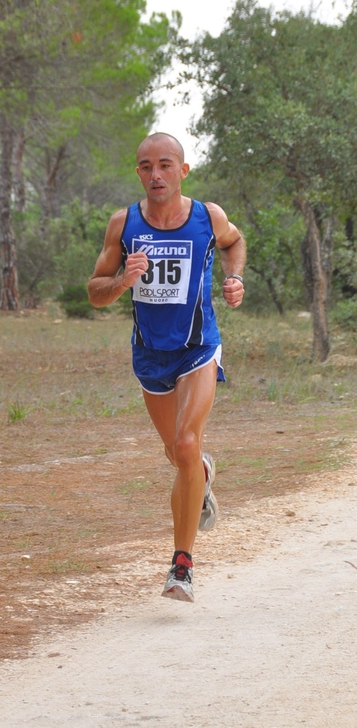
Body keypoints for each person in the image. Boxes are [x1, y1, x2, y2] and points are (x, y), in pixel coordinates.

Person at [88, 132, 246, 602]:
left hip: (198, 346)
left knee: (185, 439)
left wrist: (233, 277)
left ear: (183, 170)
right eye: (145, 166)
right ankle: (200, 472)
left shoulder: (206, 216)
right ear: (137, 172)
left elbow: (234, 243)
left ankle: (182, 566)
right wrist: (123, 280)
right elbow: (95, 293)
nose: (155, 174)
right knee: (177, 457)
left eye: (164, 165)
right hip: (150, 354)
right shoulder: (124, 224)